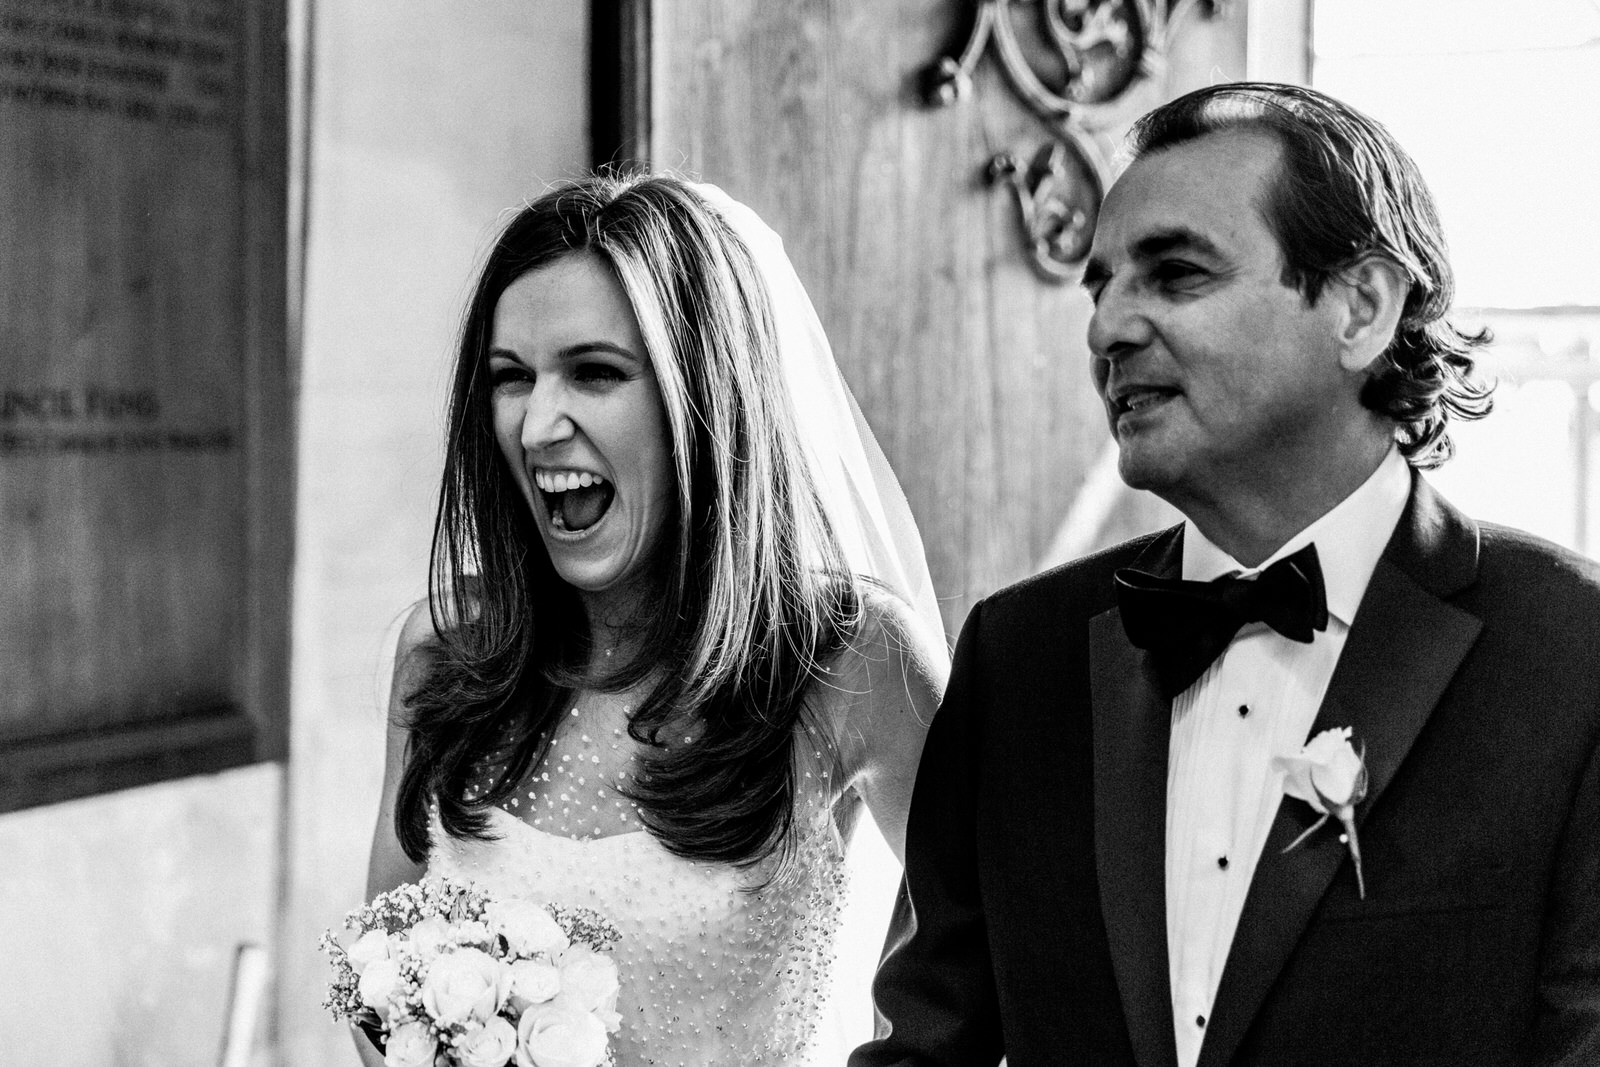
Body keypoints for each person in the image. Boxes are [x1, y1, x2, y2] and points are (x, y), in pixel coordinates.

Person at [854, 82, 1600, 1067]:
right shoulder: (1018, 652)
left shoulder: (1569, 648)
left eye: (1174, 276)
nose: (1107, 328)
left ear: (1361, 306)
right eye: (1102, 286)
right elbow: (925, 1043)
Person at [362, 174, 948, 1067]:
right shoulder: (444, 652)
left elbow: (988, 973)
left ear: (705, 395)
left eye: (595, 373)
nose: (537, 424)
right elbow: (383, 970)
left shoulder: (848, 657)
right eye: (511, 378)